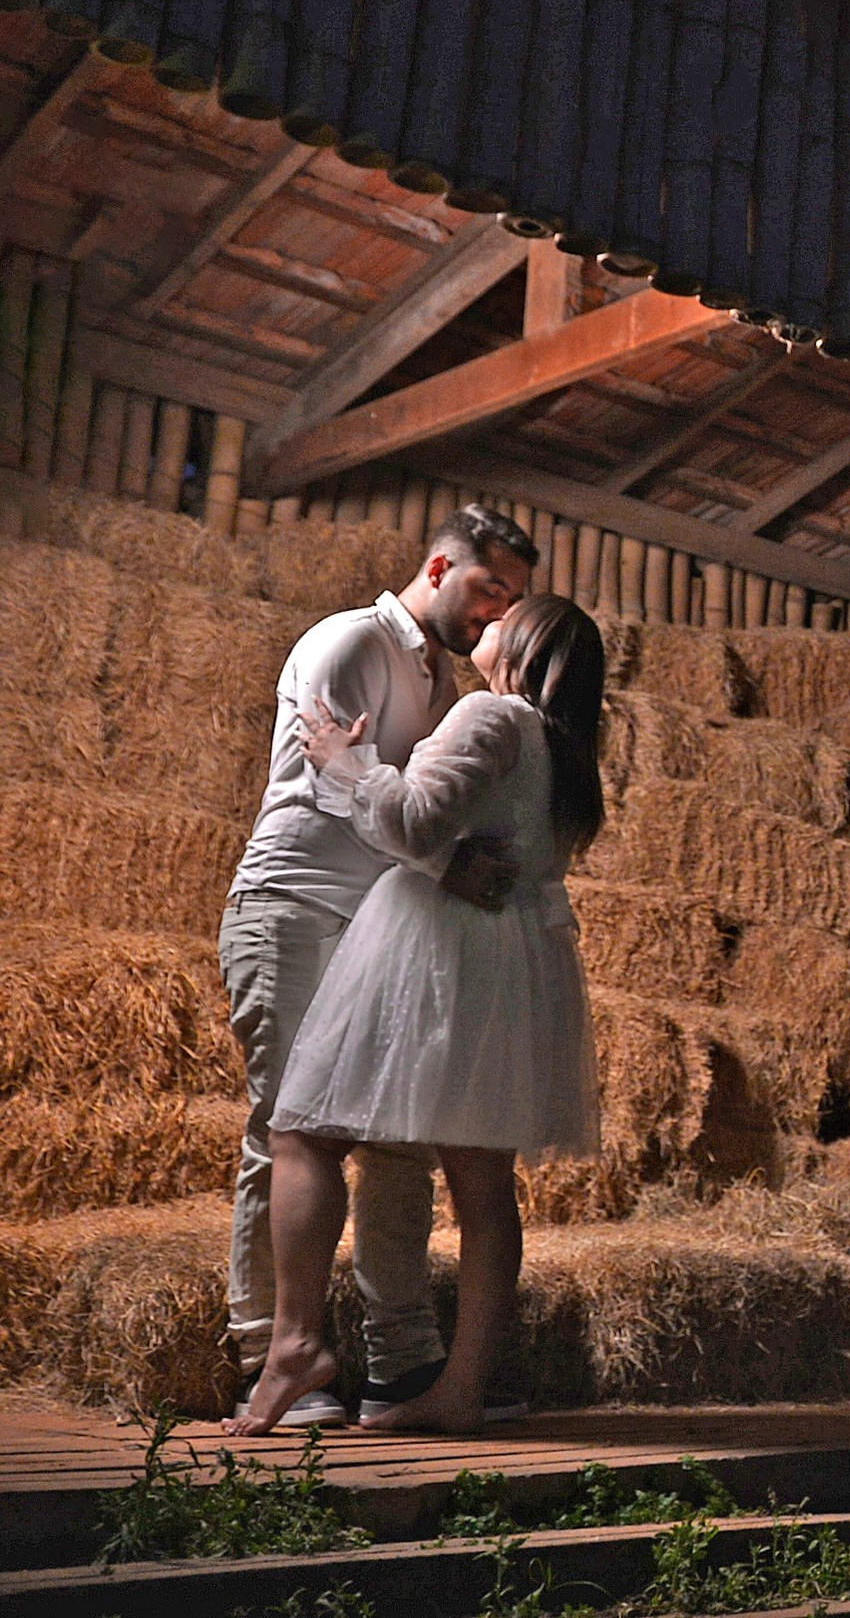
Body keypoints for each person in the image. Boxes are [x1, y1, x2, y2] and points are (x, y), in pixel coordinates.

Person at [229, 594, 608, 1436]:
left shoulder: (490, 715)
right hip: (510, 965)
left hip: (437, 952)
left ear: (526, 644)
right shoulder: (567, 754)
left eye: (505, 617)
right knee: (481, 1186)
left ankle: (292, 1342)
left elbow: (412, 820)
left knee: (303, 1132)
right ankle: (460, 1388)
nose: (487, 624)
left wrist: (345, 759)